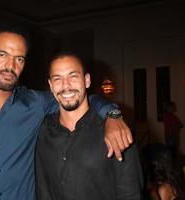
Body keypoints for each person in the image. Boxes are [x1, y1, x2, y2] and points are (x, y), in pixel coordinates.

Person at [0, 22, 132, 200]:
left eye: (19, 58)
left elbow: (74, 95)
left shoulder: (35, 104)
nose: (11, 65)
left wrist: (113, 114)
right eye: (2, 54)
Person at [35, 52, 143, 199]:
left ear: (87, 80)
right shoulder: (40, 131)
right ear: (51, 86)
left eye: (73, 76)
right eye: (57, 78)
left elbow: (130, 194)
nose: (66, 86)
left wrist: (113, 114)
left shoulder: (114, 131)